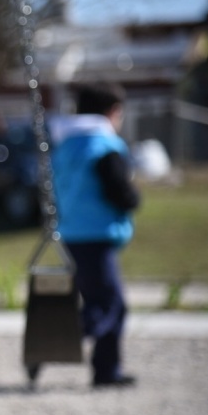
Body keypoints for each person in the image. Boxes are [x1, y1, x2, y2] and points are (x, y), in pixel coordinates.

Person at [50, 82, 141, 388]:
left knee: (104, 302)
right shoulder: (104, 146)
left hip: (71, 233)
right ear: (112, 112)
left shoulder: (65, 146)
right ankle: (55, 341)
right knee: (109, 304)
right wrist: (133, 199)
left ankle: (106, 370)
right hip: (97, 234)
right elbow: (119, 191)